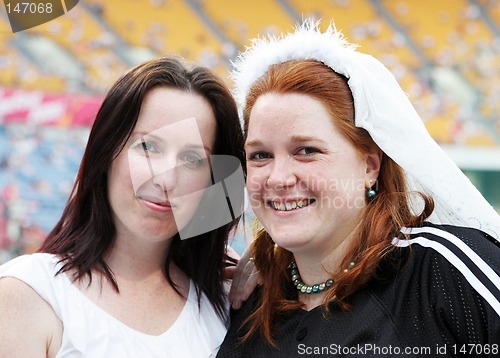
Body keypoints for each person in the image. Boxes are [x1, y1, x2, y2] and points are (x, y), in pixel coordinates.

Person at [218, 21, 500, 357]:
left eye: (306, 150)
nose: (278, 178)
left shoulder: (441, 271)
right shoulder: (247, 305)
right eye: (260, 155)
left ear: (370, 166)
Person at [0, 55, 247, 357]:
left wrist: (277, 274)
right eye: (148, 147)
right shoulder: (29, 293)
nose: (166, 179)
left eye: (192, 159)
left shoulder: (228, 302)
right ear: (106, 153)